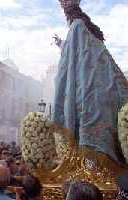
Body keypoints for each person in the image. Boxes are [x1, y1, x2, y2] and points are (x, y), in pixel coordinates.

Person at [53, 0, 128, 163]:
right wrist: (63, 45)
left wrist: (64, 47)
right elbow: (81, 51)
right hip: (102, 88)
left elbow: (74, 56)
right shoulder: (86, 27)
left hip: (89, 92)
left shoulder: (77, 26)